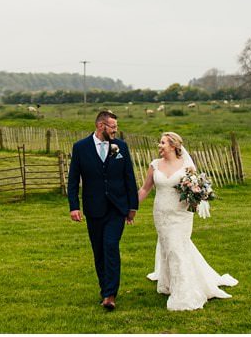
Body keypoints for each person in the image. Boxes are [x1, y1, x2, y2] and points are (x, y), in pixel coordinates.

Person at [137, 131, 238, 311]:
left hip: (180, 215)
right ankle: (168, 283)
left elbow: (196, 189)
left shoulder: (187, 166)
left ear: (173, 146)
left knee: (177, 248)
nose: (159, 146)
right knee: (168, 247)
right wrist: (131, 207)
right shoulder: (155, 165)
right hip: (161, 213)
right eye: (159, 143)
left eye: (162, 143)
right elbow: (145, 189)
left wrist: (197, 194)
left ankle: (184, 292)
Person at [67, 110, 139, 311]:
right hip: (94, 208)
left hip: (117, 208)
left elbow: (129, 178)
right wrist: (74, 206)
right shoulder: (81, 147)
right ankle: (104, 289)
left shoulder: (121, 147)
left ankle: (110, 295)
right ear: (100, 126)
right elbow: (73, 180)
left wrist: (132, 206)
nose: (115, 131)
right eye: (112, 127)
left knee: (110, 246)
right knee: (98, 251)